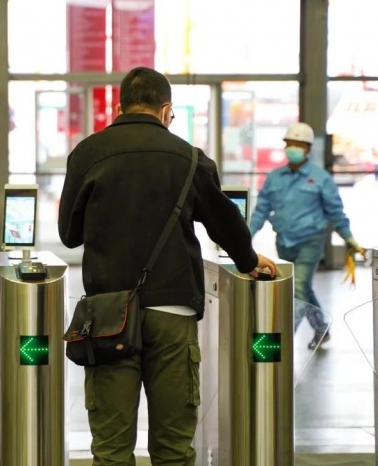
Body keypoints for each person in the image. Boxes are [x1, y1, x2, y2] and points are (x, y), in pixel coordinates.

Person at [58, 67, 277, 466]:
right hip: (172, 311)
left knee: (111, 449)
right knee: (174, 447)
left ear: (120, 108)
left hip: (109, 316)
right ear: (165, 110)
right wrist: (248, 260)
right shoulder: (189, 159)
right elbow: (226, 222)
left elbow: (69, 235)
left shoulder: (88, 153)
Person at [249, 122, 364, 350]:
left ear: (308, 148)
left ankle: (280, 344)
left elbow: (335, 212)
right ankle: (321, 328)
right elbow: (261, 210)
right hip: (284, 242)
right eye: (289, 143)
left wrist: (349, 237)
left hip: (310, 242)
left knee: (299, 288)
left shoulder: (321, 178)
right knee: (302, 288)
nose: (292, 148)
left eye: (298, 144)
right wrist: (244, 239)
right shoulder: (275, 178)